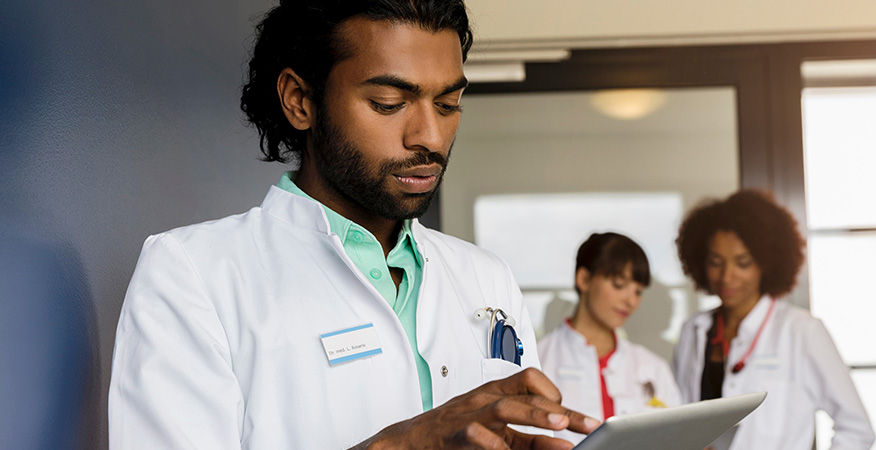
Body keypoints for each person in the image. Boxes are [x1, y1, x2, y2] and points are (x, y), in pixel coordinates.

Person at [107, 1, 600, 448]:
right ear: (301, 100)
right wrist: (400, 446)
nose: (430, 136)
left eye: (448, 104)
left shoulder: (487, 277)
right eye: (389, 103)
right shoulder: (193, 274)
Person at [672, 190, 875, 450]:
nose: (727, 276)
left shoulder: (801, 331)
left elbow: (857, 429)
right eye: (716, 262)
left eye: (742, 263)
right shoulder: (694, 331)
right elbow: (677, 420)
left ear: (765, 263)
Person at [539, 232, 681, 444]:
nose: (631, 300)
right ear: (584, 279)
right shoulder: (539, 360)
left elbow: (678, 437)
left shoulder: (653, 367)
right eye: (618, 284)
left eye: (638, 292)